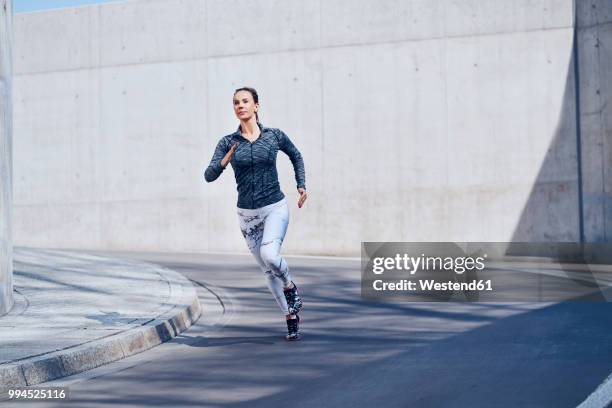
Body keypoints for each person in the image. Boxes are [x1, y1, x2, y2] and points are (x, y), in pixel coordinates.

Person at [204, 87, 308, 341]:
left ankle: (290, 286)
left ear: (256, 106)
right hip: (247, 215)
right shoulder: (228, 142)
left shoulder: (274, 136)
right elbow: (208, 176)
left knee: (270, 255)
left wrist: (301, 184)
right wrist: (223, 161)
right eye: (236, 103)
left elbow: (295, 155)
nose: (240, 106)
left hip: (274, 206)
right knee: (266, 269)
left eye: (245, 101)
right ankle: (290, 316)